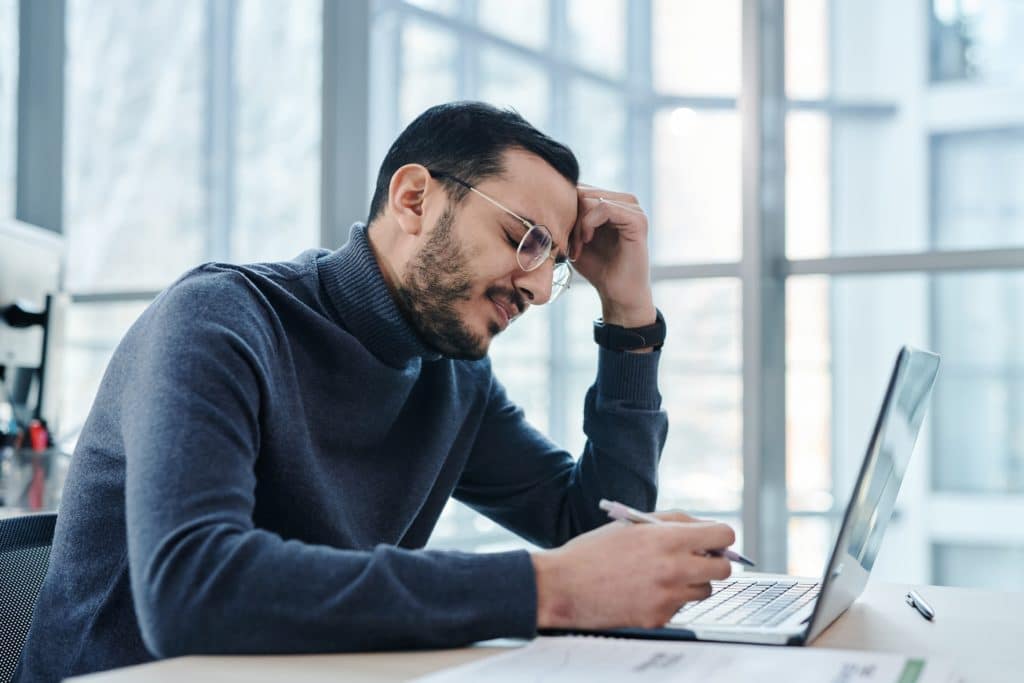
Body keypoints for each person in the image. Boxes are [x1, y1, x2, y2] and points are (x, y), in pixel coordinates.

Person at [16, 101, 735, 681]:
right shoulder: (219, 320)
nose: (542, 287)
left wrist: (630, 318)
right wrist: (545, 586)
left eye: (554, 263)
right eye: (527, 241)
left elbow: (591, 530)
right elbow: (193, 588)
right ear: (415, 198)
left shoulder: (453, 377)